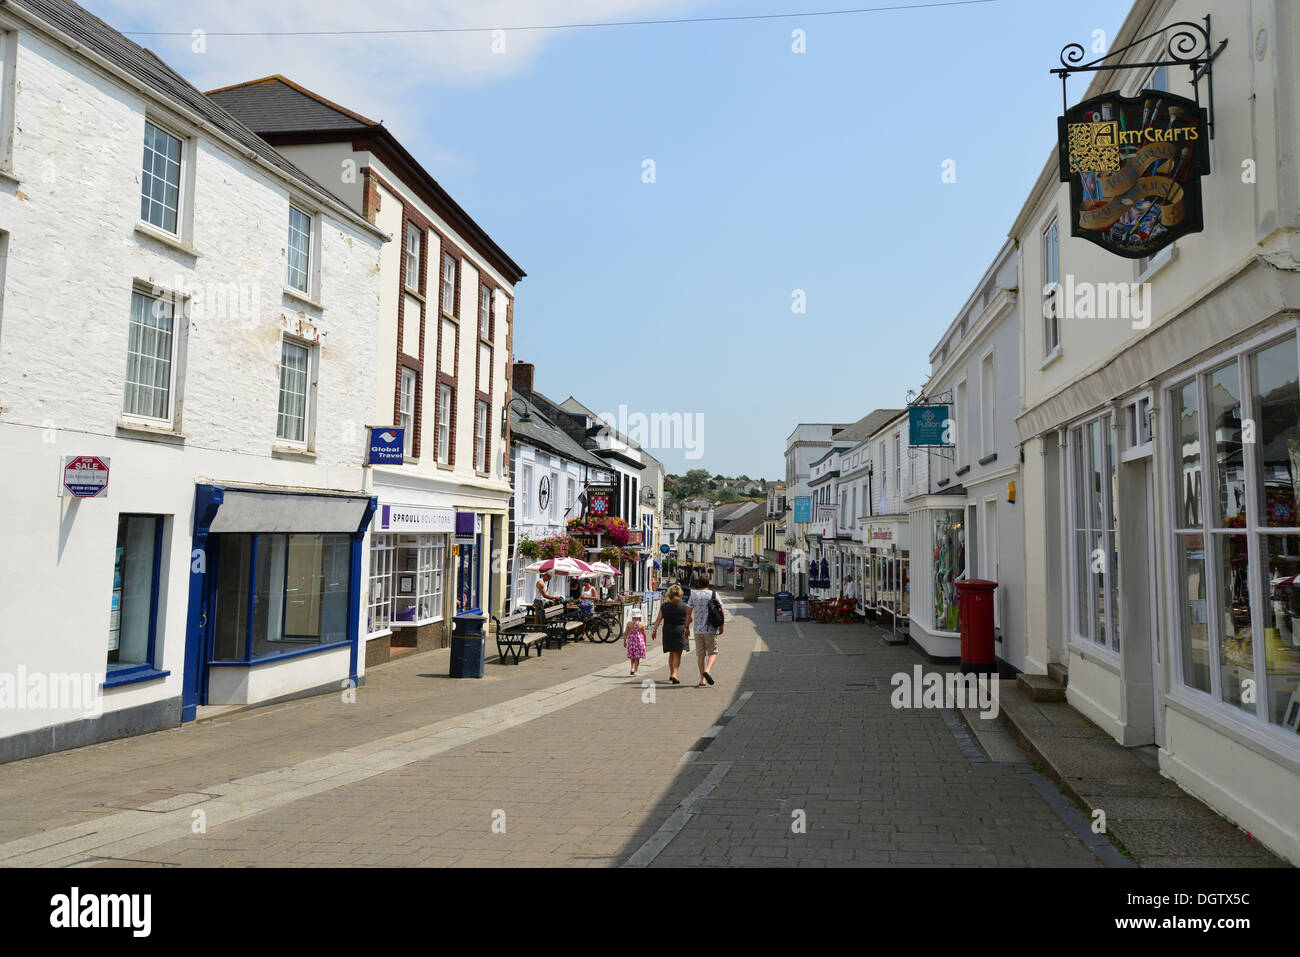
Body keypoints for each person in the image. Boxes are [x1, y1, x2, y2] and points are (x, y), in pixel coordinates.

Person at [687, 573, 723, 687]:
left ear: (698, 584)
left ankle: (702, 680)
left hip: (697, 630)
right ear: (708, 583)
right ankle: (707, 670)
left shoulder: (694, 595)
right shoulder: (714, 594)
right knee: (713, 652)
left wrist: (686, 627)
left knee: (700, 655)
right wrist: (722, 625)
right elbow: (721, 610)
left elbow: (688, 614)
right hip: (711, 629)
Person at [651, 584, 690, 684]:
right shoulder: (684, 606)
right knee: (677, 654)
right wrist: (687, 626)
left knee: (671, 653)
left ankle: (671, 673)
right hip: (680, 631)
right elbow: (690, 618)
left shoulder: (664, 606)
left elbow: (658, 619)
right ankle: (675, 674)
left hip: (668, 630)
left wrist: (654, 630)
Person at [625, 608, 648, 677]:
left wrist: (624, 641)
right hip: (638, 642)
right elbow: (644, 634)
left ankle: (632, 668)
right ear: (639, 616)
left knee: (632, 655)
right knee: (637, 657)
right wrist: (645, 642)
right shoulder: (641, 624)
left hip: (631, 642)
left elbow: (626, 633)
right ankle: (636, 671)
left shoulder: (629, 624)